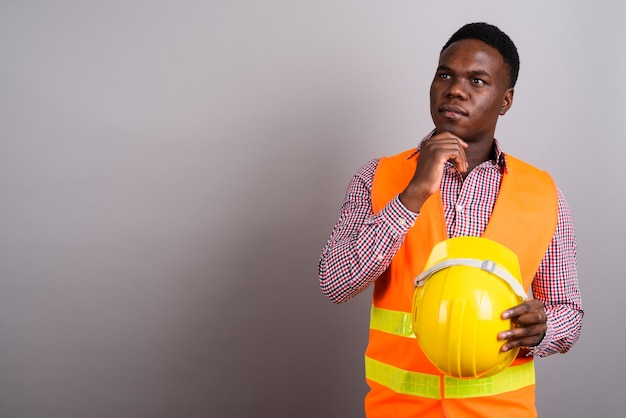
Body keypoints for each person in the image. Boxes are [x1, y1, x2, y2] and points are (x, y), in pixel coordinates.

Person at [318, 22, 583, 418]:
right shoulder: (377, 177)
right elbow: (333, 283)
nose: (455, 89)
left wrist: (543, 328)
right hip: (399, 410)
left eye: (477, 80)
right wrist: (412, 195)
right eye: (445, 74)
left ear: (505, 100)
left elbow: (568, 313)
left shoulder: (543, 193)